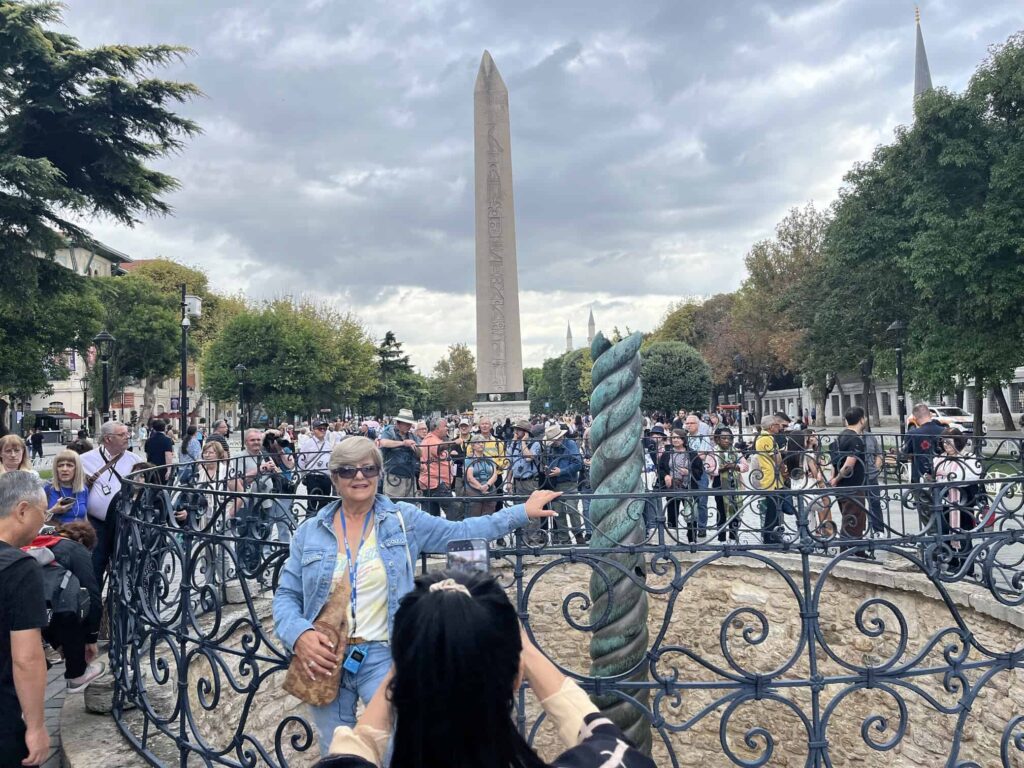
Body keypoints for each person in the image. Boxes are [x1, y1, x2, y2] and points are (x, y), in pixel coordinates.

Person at [271, 437, 557, 754]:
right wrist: (300, 635)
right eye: (349, 470)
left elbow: (460, 532)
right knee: (336, 752)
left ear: (379, 473)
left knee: (398, 747)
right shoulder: (310, 532)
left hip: (383, 654)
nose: (360, 477)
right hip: (322, 656)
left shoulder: (402, 520)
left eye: (369, 468)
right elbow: (286, 596)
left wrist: (521, 513)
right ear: (335, 477)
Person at [316, 570, 655, 768]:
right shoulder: (611, 761)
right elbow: (600, 733)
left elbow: (354, 748)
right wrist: (524, 651)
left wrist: (418, 654)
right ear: (516, 677)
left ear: (403, 685)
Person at [0, 471, 51, 767]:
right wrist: (36, 726)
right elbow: (27, 658)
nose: (44, 521)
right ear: (22, 510)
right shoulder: (20, 569)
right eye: (42, 513)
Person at [29, 521, 105, 691]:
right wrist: (91, 639)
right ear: (84, 542)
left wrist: (57, 644)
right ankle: (77, 675)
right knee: (76, 604)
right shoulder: (76, 549)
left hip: (29, 604)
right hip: (59, 608)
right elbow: (93, 596)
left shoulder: (42, 541)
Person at [81, 421, 143, 585]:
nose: (127, 437)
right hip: (97, 524)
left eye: (127, 433)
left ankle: (121, 603)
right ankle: (95, 605)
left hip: (125, 523)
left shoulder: (135, 460)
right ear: (108, 439)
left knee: (124, 564)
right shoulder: (85, 460)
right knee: (96, 564)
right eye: (122, 434)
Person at [532, 424, 583, 544]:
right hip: (555, 484)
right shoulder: (552, 448)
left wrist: (561, 471)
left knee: (572, 510)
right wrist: (548, 469)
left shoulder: (570, 445)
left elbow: (578, 464)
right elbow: (550, 462)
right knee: (558, 512)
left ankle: (578, 534)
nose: (553, 444)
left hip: (569, 483)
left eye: (554, 441)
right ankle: (564, 538)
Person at [830, 406, 868, 552]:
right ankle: (850, 551)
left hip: (842, 486)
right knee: (854, 518)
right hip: (853, 485)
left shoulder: (840, 437)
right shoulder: (855, 440)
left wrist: (833, 478)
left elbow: (834, 462)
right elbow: (848, 465)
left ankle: (855, 549)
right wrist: (837, 479)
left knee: (849, 516)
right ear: (862, 420)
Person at [753, 415, 789, 544]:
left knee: (774, 509)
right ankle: (770, 536)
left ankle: (772, 534)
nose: (778, 426)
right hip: (771, 478)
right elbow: (776, 458)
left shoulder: (765, 438)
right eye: (776, 424)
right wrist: (784, 469)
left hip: (772, 477)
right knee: (773, 510)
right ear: (770, 427)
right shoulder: (766, 438)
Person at [712, 427, 747, 543]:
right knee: (721, 511)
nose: (727, 441)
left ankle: (733, 537)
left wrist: (735, 466)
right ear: (717, 439)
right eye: (724, 438)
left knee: (735, 510)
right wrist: (723, 468)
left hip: (734, 483)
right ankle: (721, 539)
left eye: (729, 438)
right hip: (720, 483)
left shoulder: (736, 451)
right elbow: (710, 469)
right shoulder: (714, 451)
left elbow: (745, 466)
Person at [376, 409, 420, 499]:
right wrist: (403, 443)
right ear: (399, 423)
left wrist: (416, 448)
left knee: (410, 507)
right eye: (407, 424)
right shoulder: (389, 432)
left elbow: (421, 454)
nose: (409, 426)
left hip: (410, 477)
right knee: (394, 505)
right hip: (394, 478)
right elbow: (383, 442)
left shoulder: (412, 436)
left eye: (410, 424)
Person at [683, 415, 713, 539]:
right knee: (688, 501)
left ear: (698, 424)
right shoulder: (684, 438)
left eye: (692, 423)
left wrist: (689, 456)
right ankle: (691, 526)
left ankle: (702, 527)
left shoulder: (703, 438)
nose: (689, 425)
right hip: (685, 472)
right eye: (687, 423)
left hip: (700, 471)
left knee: (701, 501)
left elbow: (702, 456)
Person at [417, 417, 453, 519]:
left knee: (432, 517)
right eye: (445, 426)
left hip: (433, 483)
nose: (447, 428)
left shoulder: (433, 439)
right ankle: (457, 534)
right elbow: (438, 448)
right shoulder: (432, 440)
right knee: (455, 512)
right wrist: (454, 442)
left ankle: (434, 533)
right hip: (435, 483)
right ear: (437, 428)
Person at [659, 430, 693, 535]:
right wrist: (665, 476)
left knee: (690, 513)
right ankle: (673, 538)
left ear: (683, 439)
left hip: (688, 486)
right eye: (673, 438)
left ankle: (692, 539)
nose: (675, 440)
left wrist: (689, 471)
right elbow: (660, 468)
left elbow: (699, 470)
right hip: (672, 486)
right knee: (672, 512)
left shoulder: (691, 453)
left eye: (678, 437)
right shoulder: (667, 453)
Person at [299, 422, 335, 515]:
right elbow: (301, 460)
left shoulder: (328, 444)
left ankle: (320, 522)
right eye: (320, 429)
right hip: (313, 476)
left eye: (324, 429)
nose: (323, 431)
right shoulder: (308, 443)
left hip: (326, 477)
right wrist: (303, 475)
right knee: (312, 503)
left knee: (325, 502)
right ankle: (309, 523)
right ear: (314, 430)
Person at [44, 450, 90, 524]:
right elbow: (36, 521)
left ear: (77, 469)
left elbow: (85, 517)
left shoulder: (84, 489)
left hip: (78, 534)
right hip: (55, 534)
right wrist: (53, 511)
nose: (64, 469)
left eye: (69, 465)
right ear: (56, 469)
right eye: (60, 465)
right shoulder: (48, 489)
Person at [464, 435, 499, 519]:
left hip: (489, 489)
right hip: (474, 490)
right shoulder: (469, 459)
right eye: (478, 442)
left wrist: (487, 485)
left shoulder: (489, 458)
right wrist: (480, 487)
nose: (481, 444)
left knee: (488, 516)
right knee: (474, 516)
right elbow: (469, 477)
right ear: (473, 446)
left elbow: (495, 474)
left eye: (482, 442)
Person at [449, 419, 474, 498]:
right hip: (458, 473)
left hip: (473, 472)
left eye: (465, 426)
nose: (463, 428)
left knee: (472, 495)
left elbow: (475, 456)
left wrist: (458, 456)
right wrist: (467, 456)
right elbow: (452, 457)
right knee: (459, 495)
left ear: (469, 427)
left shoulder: (474, 440)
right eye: (462, 426)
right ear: (459, 428)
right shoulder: (454, 441)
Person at [144, 419, 175, 483]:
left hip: (151, 468)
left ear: (154, 428)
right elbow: (168, 455)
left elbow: (147, 455)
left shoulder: (148, 440)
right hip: (162, 468)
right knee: (163, 488)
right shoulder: (167, 440)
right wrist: (169, 470)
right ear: (165, 428)